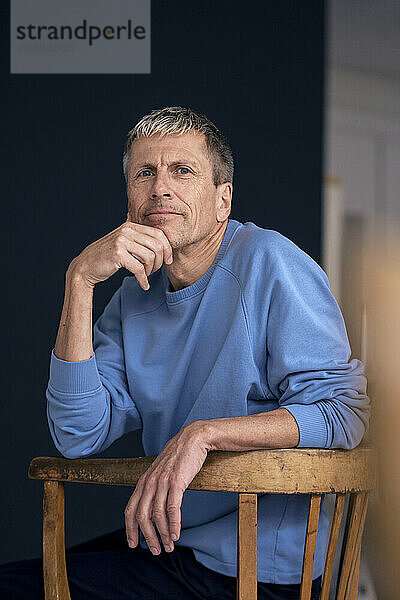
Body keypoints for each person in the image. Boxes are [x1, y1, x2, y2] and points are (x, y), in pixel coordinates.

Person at [0, 106, 370, 599]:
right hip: (172, 544)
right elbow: (76, 433)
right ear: (130, 197)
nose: (159, 189)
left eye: (182, 171)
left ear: (223, 201)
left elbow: (343, 411)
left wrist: (206, 435)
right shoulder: (136, 294)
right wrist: (80, 281)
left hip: (257, 570)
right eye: (144, 174)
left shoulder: (270, 262)